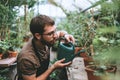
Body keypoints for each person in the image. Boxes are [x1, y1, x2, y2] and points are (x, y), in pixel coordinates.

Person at [17, 15, 75, 80]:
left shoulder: (46, 39)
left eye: (54, 31)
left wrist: (66, 35)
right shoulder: (27, 57)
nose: (55, 36)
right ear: (38, 35)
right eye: (50, 33)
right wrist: (53, 67)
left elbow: (61, 33)